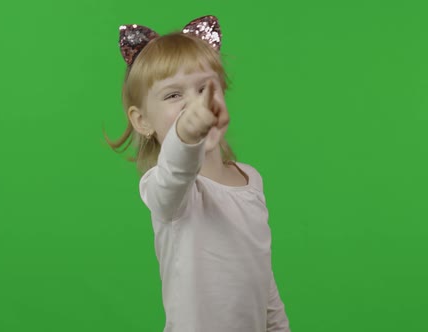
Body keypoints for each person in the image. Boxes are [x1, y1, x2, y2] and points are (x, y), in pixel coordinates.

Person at [104, 15, 290, 332]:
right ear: (142, 121)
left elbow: (261, 279)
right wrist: (186, 135)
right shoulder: (167, 190)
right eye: (173, 95)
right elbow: (176, 172)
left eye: (204, 88)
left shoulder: (250, 179)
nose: (194, 103)